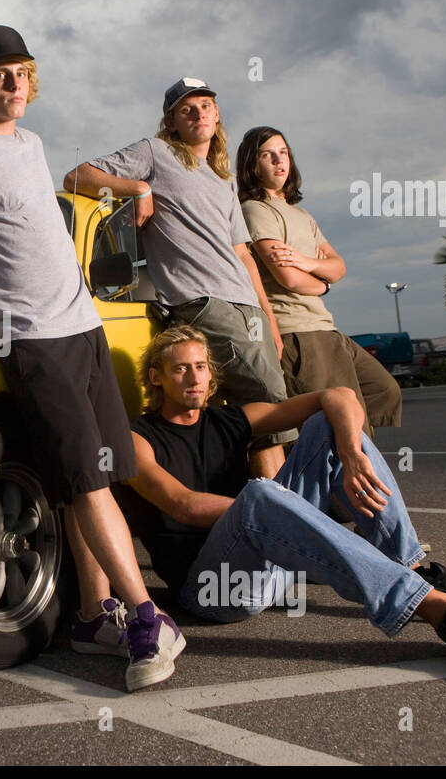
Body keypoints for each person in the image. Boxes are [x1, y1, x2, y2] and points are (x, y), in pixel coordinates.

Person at [0, 24, 184, 691]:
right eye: (2, 73)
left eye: (24, 71)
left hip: (82, 326)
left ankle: (92, 615)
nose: (17, 83)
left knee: (95, 477)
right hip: (32, 338)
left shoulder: (31, 146)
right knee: (86, 482)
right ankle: (148, 616)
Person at [117, 324, 446, 677]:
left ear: (211, 374)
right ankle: (440, 610)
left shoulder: (231, 419)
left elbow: (338, 396)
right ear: (155, 376)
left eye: (200, 367)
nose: (194, 378)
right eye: (180, 370)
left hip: (272, 564)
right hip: (214, 592)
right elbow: (184, 505)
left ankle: (416, 568)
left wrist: (349, 450)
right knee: (262, 495)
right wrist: (291, 513)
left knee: (328, 424)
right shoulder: (138, 439)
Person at [63, 77, 292, 479]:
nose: (198, 113)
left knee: (258, 414)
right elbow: (77, 177)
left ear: (216, 114)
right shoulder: (156, 152)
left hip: (246, 307)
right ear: (171, 121)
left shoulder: (224, 179)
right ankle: (280, 516)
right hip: (201, 302)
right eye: (187, 109)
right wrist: (137, 187)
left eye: (205, 105)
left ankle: (271, 509)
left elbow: (243, 254)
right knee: (270, 407)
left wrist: (267, 315)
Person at [236, 126, 401, 432]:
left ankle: (345, 460)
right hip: (298, 332)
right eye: (267, 155)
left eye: (283, 153)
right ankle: (347, 470)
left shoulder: (303, 216)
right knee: (342, 422)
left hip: (326, 326)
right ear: (252, 164)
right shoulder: (255, 210)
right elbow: (291, 280)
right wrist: (321, 279)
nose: (278, 160)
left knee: (384, 390)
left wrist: (304, 262)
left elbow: (339, 267)